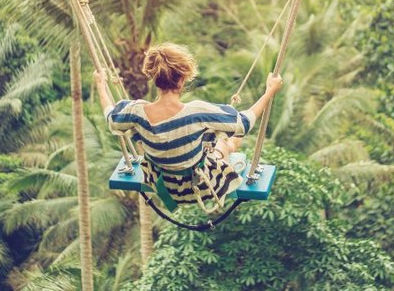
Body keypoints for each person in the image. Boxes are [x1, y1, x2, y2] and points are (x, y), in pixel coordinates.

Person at [95, 43, 284, 213]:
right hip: (201, 185)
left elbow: (111, 117)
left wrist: (101, 86)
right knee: (227, 143)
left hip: (163, 185)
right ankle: (226, 143)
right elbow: (245, 123)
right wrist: (269, 92)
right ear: (182, 79)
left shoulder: (135, 111)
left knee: (214, 138)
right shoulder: (196, 112)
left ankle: (222, 140)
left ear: (152, 77)